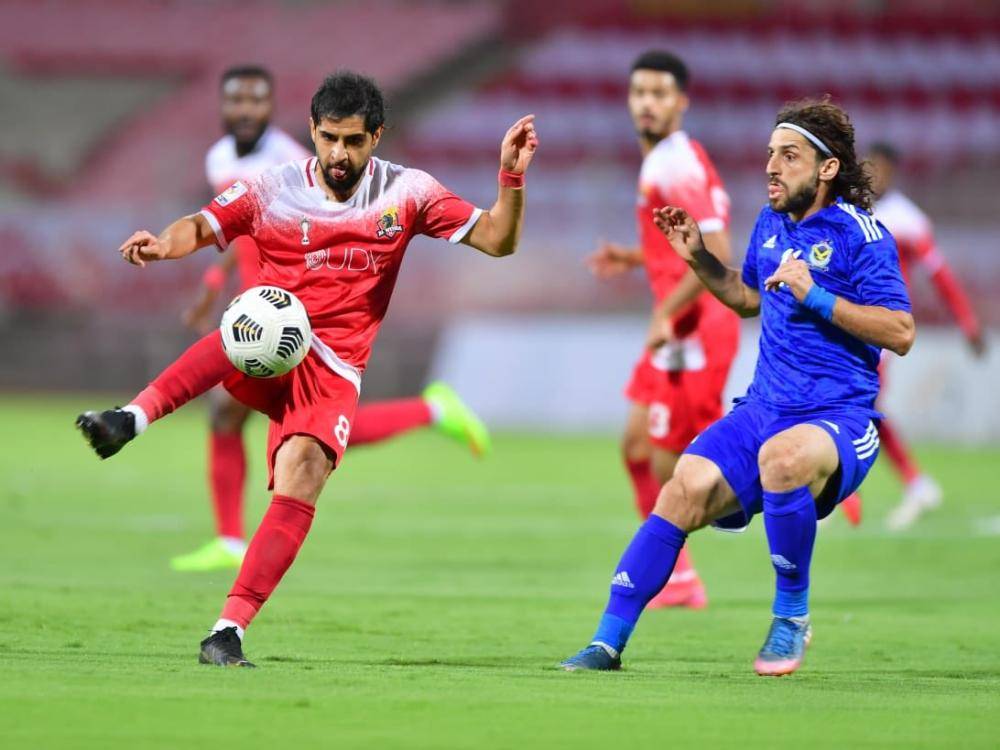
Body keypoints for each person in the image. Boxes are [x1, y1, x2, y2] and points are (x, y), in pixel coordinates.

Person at [77, 70, 538, 667]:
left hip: (335, 365)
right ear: (313, 131)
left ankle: (227, 632)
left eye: (353, 141)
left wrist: (511, 178)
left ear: (377, 136)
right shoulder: (272, 187)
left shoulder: (409, 193)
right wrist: (166, 245)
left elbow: (499, 240)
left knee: (303, 474)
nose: (339, 154)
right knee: (249, 325)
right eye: (329, 139)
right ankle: (129, 419)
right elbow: (202, 225)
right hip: (274, 338)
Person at [560, 98, 914, 676]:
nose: (772, 166)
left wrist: (816, 295)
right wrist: (698, 258)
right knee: (681, 488)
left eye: (790, 156)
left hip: (837, 419)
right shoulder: (771, 223)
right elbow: (748, 296)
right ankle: (606, 642)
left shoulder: (863, 235)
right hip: (762, 409)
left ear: (827, 168)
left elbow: (901, 332)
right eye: (771, 153)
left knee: (783, 459)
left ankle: (791, 617)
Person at [172, 65, 491, 573]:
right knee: (252, 419)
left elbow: (307, 224)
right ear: (223, 105)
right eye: (236, 100)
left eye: (256, 100)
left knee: (289, 427)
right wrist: (214, 285)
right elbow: (239, 227)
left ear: (272, 107)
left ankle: (429, 411)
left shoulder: (291, 160)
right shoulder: (220, 158)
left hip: (292, 311)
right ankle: (230, 539)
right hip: (257, 303)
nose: (245, 110)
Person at [585, 50, 739, 609]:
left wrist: (665, 311)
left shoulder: (673, 165)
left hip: (697, 328)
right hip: (680, 324)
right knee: (635, 446)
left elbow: (717, 253)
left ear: (681, 102)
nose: (646, 103)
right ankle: (679, 579)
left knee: (682, 464)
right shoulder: (669, 160)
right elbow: (677, 245)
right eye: (639, 93)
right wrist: (635, 257)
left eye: (659, 94)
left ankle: (795, 483)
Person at [862, 142, 984, 530]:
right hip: (847, 320)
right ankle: (901, 487)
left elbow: (940, 276)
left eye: (882, 168)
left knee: (864, 403)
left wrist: (967, 322)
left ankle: (910, 485)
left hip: (883, 325)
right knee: (859, 406)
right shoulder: (849, 210)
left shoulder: (907, 220)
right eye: (870, 167)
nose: (875, 175)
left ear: (893, 172)